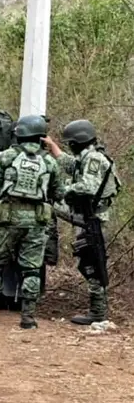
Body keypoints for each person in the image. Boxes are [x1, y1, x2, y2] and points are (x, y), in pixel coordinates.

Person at [0, 114, 66, 329]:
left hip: (7, 220)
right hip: (36, 222)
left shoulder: (5, 157)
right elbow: (58, 192)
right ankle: (28, 318)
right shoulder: (49, 162)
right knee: (31, 268)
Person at [43, 120, 121, 325]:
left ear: (77, 142)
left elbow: (88, 186)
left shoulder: (94, 159)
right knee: (89, 260)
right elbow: (71, 164)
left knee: (92, 262)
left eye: (71, 143)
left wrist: (62, 190)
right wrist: (54, 148)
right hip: (86, 217)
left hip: (93, 220)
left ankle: (98, 312)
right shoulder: (87, 157)